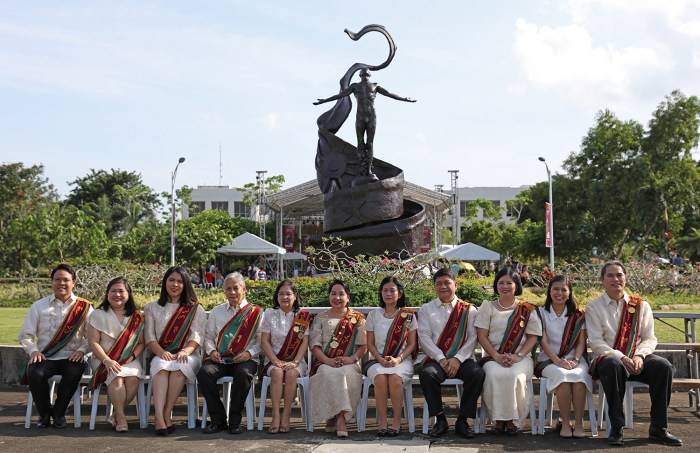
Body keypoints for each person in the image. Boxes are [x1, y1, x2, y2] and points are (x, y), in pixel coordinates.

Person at [586, 261, 682, 446]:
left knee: (664, 367)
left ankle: (658, 428)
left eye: (619, 275)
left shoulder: (640, 305)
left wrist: (639, 355)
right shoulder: (594, 307)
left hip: (637, 358)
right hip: (610, 360)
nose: (615, 279)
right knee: (613, 365)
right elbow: (596, 342)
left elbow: (649, 338)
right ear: (602, 280)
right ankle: (616, 427)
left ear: (625, 277)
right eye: (610, 275)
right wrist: (622, 357)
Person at [18, 264, 93, 429]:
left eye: (66, 280)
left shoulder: (84, 308)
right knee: (35, 373)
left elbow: (92, 338)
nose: (62, 283)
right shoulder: (39, 306)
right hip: (46, 356)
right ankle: (44, 414)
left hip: (72, 357)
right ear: (51, 282)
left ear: (73, 282)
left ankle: (59, 413)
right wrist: (34, 351)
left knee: (74, 372)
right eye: (57, 279)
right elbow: (25, 335)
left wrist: (82, 351)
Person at [417, 267, 485, 439]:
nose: (443, 286)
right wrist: (441, 358)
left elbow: (473, 337)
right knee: (427, 374)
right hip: (436, 358)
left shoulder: (469, 310)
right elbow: (424, 337)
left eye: (447, 282)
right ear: (434, 287)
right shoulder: (426, 309)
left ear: (455, 284)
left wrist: (457, 358)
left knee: (477, 374)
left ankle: (462, 420)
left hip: (461, 358)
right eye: (438, 283)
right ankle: (440, 420)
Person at [314, 68, 416, 180]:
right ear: (361, 76)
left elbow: (389, 94)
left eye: (366, 74)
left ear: (369, 75)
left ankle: (369, 170)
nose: (365, 76)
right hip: (360, 117)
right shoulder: (355, 86)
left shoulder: (375, 86)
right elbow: (341, 95)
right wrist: (324, 100)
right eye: (363, 75)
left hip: (371, 116)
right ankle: (362, 170)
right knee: (360, 143)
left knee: (370, 143)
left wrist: (404, 99)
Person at [475, 267, 541, 435]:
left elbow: (533, 337)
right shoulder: (487, 307)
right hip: (492, 356)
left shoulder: (526, 309)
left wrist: (518, 356)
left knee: (514, 376)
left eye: (509, 283)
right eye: (501, 282)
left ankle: (512, 420)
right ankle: (498, 419)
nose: (505, 286)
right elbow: (482, 336)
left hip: (521, 357)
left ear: (516, 285)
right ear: (496, 285)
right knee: (494, 375)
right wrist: (496, 356)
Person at [198, 272, 263, 434]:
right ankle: (218, 420)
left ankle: (234, 421)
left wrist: (249, 353)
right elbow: (208, 337)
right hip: (220, 358)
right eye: (228, 289)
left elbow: (262, 341)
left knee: (244, 374)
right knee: (204, 373)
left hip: (245, 359)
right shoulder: (216, 312)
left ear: (244, 289)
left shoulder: (256, 313)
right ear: (224, 291)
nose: (232, 292)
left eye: (236, 288)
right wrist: (212, 351)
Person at [144, 266, 206, 436]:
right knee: (162, 368)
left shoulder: (195, 308)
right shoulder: (152, 307)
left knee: (179, 368)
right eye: (171, 280)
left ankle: (166, 413)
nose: (175, 284)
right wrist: (161, 352)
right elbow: (149, 337)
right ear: (165, 282)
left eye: (180, 281)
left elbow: (197, 336)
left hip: (188, 354)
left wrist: (186, 351)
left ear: (185, 285)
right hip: (160, 352)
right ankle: (158, 417)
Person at [534, 275, 591, 438]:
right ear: (549, 291)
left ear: (570, 292)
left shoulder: (578, 314)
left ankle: (579, 424)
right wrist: (558, 361)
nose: (559, 293)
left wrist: (576, 360)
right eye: (555, 289)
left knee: (579, 377)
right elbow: (543, 341)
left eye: (563, 290)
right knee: (562, 377)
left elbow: (582, 342)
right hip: (548, 361)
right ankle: (565, 423)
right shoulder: (539, 313)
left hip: (576, 359)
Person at [309, 279, 367, 438]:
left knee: (345, 374)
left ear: (348, 297)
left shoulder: (357, 318)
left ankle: (339, 417)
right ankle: (332, 415)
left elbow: (364, 345)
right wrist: (328, 361)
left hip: (350, 362)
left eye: (341, 294)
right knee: (327, 373)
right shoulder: (320, 318)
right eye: (333, 293)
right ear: (329, 296)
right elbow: (314, 345)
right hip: (325, 361)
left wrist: (352, 359)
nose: (337, 297)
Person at [87, 276, 145, 432]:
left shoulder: (136, 317)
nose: (117, 294)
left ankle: (116, 416)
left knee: (133, 378)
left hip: (129, 359)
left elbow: (141, 343)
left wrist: (132, 357)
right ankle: (121, 418)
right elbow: (93, 343)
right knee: (117, 377)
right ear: (107, 294)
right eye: (113, 291)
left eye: (121, 291)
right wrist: (107, 360)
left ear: (128, 294)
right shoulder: (97, 314)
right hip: (102, 359)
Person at [364, 276, 417, 436]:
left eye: (392, 290)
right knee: (380, 378)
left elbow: (412, 344)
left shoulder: (408, 316)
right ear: (381, 293)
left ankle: (396, 421)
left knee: (395, 378)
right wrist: (379, 359)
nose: (388, 293)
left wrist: (398, 359)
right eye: (385, 290)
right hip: (377, 359)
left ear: (400, 294)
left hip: (402, 360)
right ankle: (382, 421)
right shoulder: (374, 315)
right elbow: (370, 343)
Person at [260, 280, 312, 433]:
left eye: (288, 293)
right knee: (276, 372)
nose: (284, 297)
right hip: (273, 360)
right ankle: (275, 415)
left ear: (295, 296)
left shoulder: (301, 316)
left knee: (291, 374)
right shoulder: (269, 314)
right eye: (281, 293)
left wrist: (295, 362)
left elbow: (304, 342)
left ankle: (286, 414)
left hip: (296, 361)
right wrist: (275, 361)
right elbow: (264, 341)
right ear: (276, 297)